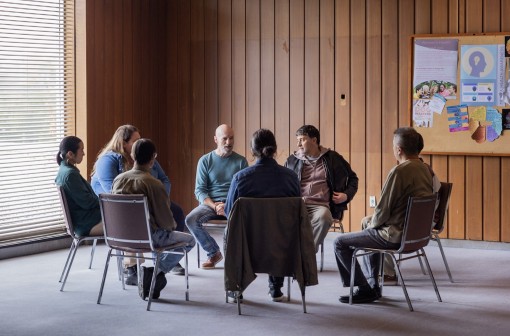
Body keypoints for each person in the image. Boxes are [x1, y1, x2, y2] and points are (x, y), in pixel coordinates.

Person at [334, 127, 434, 304]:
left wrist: (373, 225)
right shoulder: (425, 169)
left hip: (394, 235)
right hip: (415, 235)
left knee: (339, 242)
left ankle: (364, 288)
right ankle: (373, 286)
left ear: (399, 149)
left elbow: (383, 209)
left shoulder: (399, 171)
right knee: (367, 223)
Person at [91, 125, 187, 283]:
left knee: (176, 211)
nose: (139, 142)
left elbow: (164, 180)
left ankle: (165, 258)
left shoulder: (144, 155)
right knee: (139, 219)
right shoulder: (108, 160)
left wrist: (161, 197)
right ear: (124, 143)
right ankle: (132, 268)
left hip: (150, 198)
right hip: (121, 208)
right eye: (135, 140)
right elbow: (114, 193)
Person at [111, 138, 195, 301]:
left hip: (120, 237)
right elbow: (165, 221)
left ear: (133, 156)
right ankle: (156, 271)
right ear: (153, 158)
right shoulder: (154, 184)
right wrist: (171, 226)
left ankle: (153, 273)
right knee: (190, 240)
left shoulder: (118, 180)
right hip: (149, 237)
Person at [224, 129, 301, 302]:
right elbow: (297, 214)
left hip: (248, 247)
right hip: (282, 247)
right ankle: (276, 289)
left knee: (228, 234)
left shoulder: (240, 178)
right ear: (275, 149)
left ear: (252, 151)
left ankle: (236, 289)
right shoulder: (291, 177)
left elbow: (230, 213)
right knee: (278, 232)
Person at [285, 125, 358, 251]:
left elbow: (353, 178)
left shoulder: (332, 158)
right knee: (276, 217)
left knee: (324, 218)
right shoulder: (292, 160)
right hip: (296, 204)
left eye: (302, 140)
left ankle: (305, 256)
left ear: (314, 140)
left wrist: (346, 195)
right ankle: (296, 257)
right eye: (297, 141)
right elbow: (283, 183)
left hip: (321, 206)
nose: (298, 145)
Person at [185, 124, 248, 269]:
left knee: (236, 225)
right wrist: (215, 205)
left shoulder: (241, 161)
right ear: (215, 139)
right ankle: (213, 252)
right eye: (224, 139)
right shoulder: (205, 161)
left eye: (231, 138)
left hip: (233, 203)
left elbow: (244, 190)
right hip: (210, 204)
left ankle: (236, 259)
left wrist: (229, 204)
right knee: (190, 219)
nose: (229, 142)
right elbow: (200, 190)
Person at [55, 136, 103, 237]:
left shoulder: (64, 170)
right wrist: (106, 203)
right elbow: (87, 202)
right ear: (70, 154)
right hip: (86, 224)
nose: (84, 153)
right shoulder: (70, 174)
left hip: (84, 220)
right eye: (81, 150)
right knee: (126, 222)